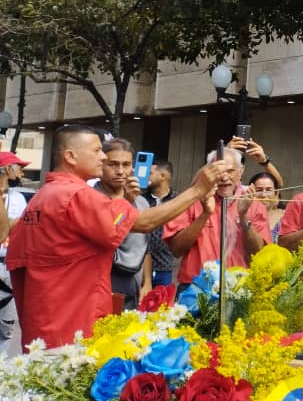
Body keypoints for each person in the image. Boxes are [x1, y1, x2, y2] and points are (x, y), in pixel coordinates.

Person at [7, 124, 224, 348]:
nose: (102, 157)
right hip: (73, 324)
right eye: (96, 150)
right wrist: (197, 191)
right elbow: (143, 222)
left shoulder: (43, 196)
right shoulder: (74, 195)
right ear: (70, 156)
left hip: (45, 320)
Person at [164, 146, 270, 286]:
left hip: (239, 288)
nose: (224, 177)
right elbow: (176, 250)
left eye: (230, 171)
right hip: (196, 287)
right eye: (218, 171)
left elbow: (259, 253)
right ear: (208, 172)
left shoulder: (254, 204)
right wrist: (204, 215)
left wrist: (244, 216)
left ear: (241, 172)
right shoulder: (191, 200)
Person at [93, 138, 149, 311]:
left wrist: (147, 282)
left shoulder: (141, 202)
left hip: (135, 286)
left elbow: (146, 247)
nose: (120, 171)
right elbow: (108, 234)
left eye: (126, 165)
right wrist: (126, 202)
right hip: (102, 285)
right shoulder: (91, 198)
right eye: (113, 164)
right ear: (101, 165)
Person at [0, 151, 29, 355]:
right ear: (8, 169)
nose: (22, 174)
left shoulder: (18, 198)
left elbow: (23, 226)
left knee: (7, 328)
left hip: (8, 267)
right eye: (19, 168)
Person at [142, 159, 177, 293]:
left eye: (150, 173)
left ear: (163, 176)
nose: (146, 176)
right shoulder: (140, 199)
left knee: (162, 307)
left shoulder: (177, 200)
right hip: (140, 266)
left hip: (165, 266)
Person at [248, 172, 284, 242]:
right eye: (259, 190)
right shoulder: (244, 216)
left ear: (276, 193)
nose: (263, 194)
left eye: (268, 190)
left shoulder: (286, 216)